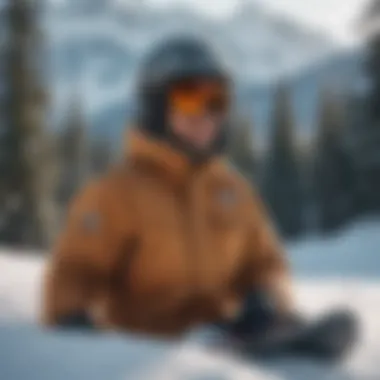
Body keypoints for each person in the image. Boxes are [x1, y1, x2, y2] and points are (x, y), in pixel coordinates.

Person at [42, 37, 354, 357]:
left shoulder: (231, 190)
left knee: (277, 320)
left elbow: (265, 261)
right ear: (157, 106)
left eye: (216, 101)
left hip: (221, 339)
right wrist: (73, 321)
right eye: (190, 99)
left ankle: (279, 336)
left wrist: (265, 297)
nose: (205, 113)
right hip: (146, 352)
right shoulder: (115, 193)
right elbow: (76, 270)